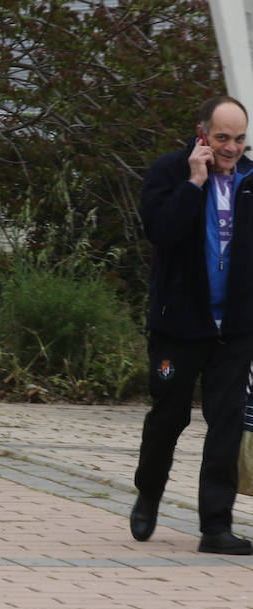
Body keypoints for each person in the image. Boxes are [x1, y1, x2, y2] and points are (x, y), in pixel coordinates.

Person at [131, 95, 253, 555]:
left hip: (235, 329)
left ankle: (215, 527)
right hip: (179, 326)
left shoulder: (251, 180)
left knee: (226, 424)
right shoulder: (169, 171)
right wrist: (194, 182)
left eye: (239, 139)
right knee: (168, 417)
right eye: (222, 138)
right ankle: (149, 491)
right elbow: (160, 231)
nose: (231, 147)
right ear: (203, 134)